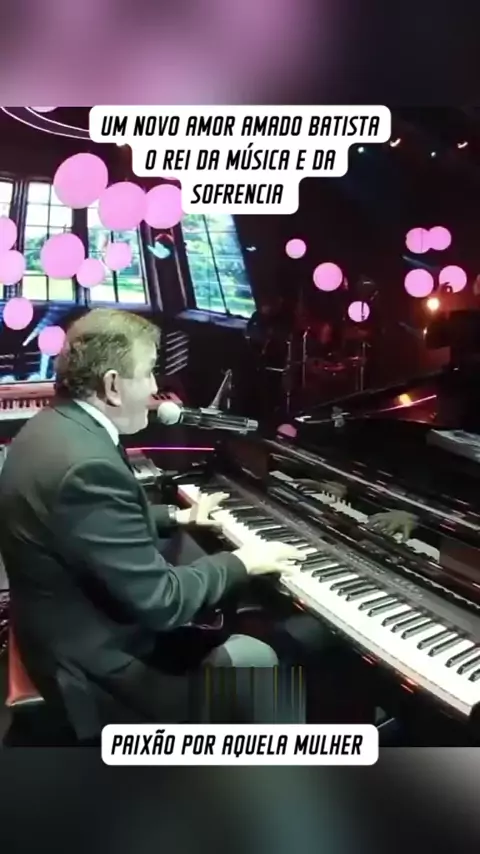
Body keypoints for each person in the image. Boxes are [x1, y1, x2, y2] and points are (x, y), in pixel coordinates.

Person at [0, 308, 338, 742]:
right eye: (148, 373)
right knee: (275, 653)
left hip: (67, 636)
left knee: (269, 632)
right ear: (113, 385)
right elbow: (163, 601)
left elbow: (86, 524)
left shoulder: (56, 427)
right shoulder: (85, 465)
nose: (155, 388)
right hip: (102, 675)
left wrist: (177, 516)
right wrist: (242, 561)